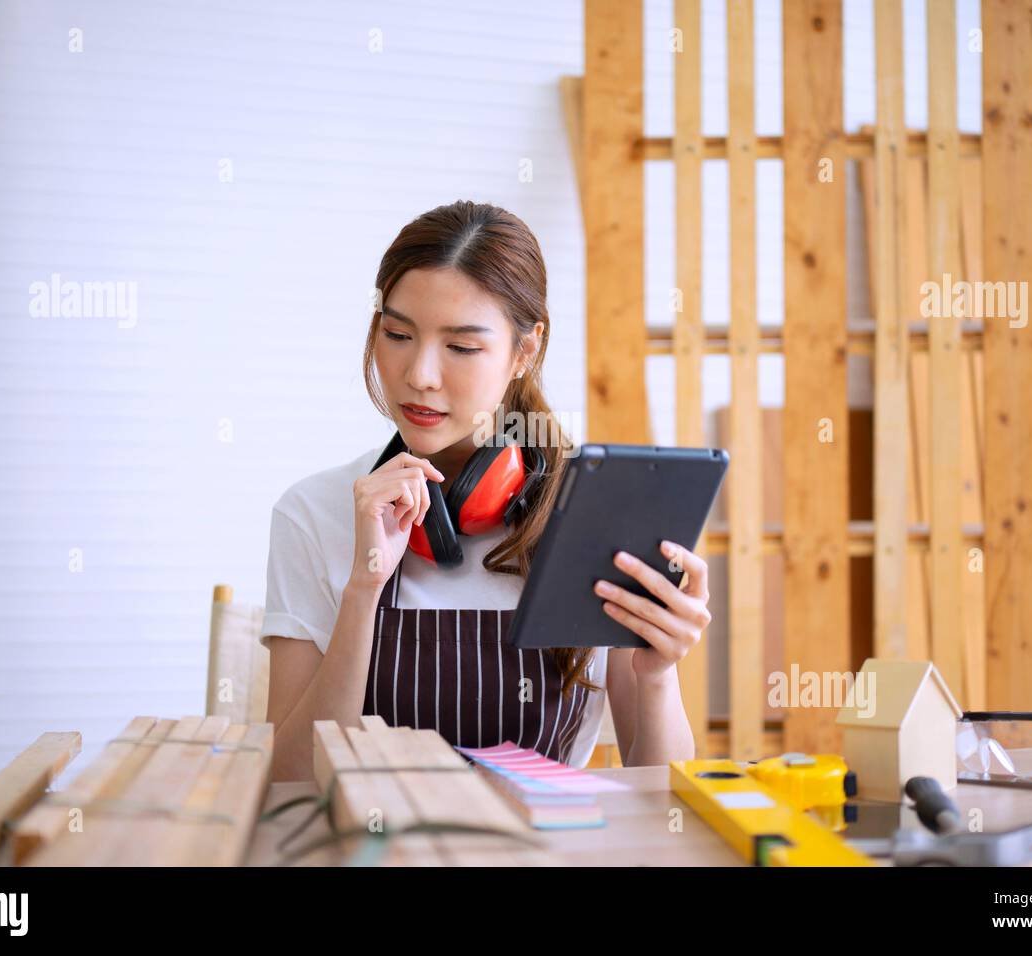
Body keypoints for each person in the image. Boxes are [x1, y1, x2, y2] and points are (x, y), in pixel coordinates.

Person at [259, 200, 710, 781]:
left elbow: (662, 796)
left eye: (462, 347)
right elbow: (290, 783)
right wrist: (363, 588)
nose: (419, 373)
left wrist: (656, 676)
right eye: (397, 334)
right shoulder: (312, 513)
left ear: (525, 351)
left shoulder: (601, 513)